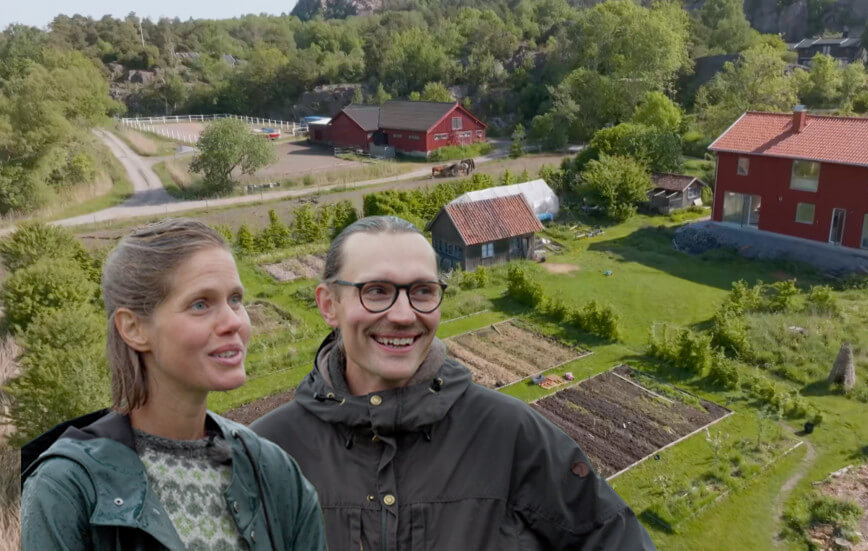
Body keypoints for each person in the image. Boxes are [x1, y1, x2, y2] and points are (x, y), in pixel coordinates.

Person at [251, 215, 656, 550]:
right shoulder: (268, 453)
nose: (404, 315)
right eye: (376, 291)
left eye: (422, 291)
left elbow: (611, 535)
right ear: (329, 305)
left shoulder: (509, 433)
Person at [21, 218, 326, 551]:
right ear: (134, 329)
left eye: (235, 299)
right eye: (200, 304)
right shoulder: (68, 489)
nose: (233, 322)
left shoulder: (273, 470)